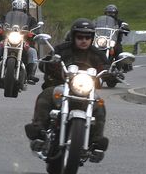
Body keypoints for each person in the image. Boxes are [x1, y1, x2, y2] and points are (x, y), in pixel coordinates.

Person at [24, 18, 108, 152]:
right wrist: (49, 63)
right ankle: (38, 130)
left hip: (85, 91)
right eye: (80, 37)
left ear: (92, 38)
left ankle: (96, 142)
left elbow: (107, 67)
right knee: (46, 95)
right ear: (74, 36)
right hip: (61, 86)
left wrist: (113, 71)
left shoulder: (97, 54)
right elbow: (45, 62)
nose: (84, 40)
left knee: (100, 105)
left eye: (87, 37)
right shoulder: (62, 49)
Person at [0, 0, 39, 83]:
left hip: (24, 41)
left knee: (32, 51)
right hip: (8, 39)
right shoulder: (6, 16)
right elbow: (0, 23)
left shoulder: (30, 19)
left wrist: (33, 32)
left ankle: (31, 75)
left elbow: (35, 28)